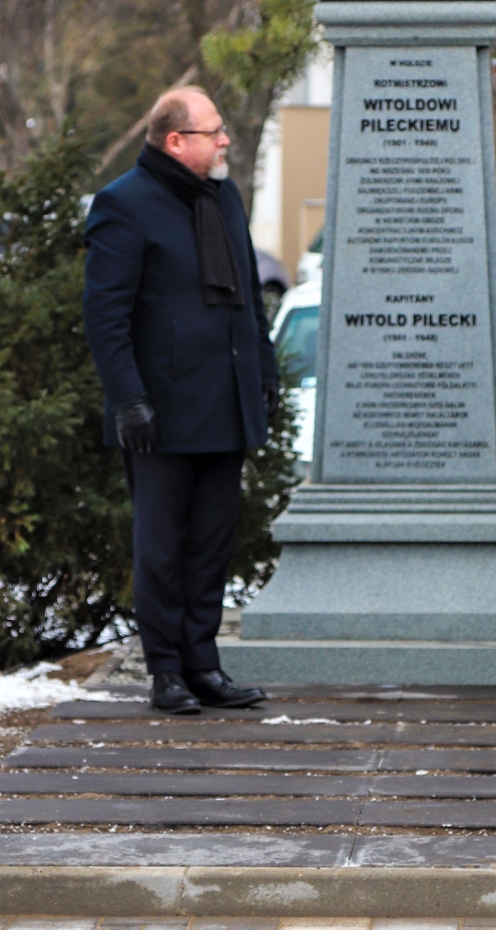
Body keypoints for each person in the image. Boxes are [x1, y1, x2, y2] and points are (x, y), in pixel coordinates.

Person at [83, 87, 279, 714]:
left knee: (210, 546)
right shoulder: (124, 204)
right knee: (162, 549)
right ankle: (165, 672)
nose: (225, 140)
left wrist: (265, 377)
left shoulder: (223, 195)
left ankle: (203, 666)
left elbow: (249, 295)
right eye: (214, 131)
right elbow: (105, 315)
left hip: (225, 402)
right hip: (159, 412)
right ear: (176, 141)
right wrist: (127, 400)